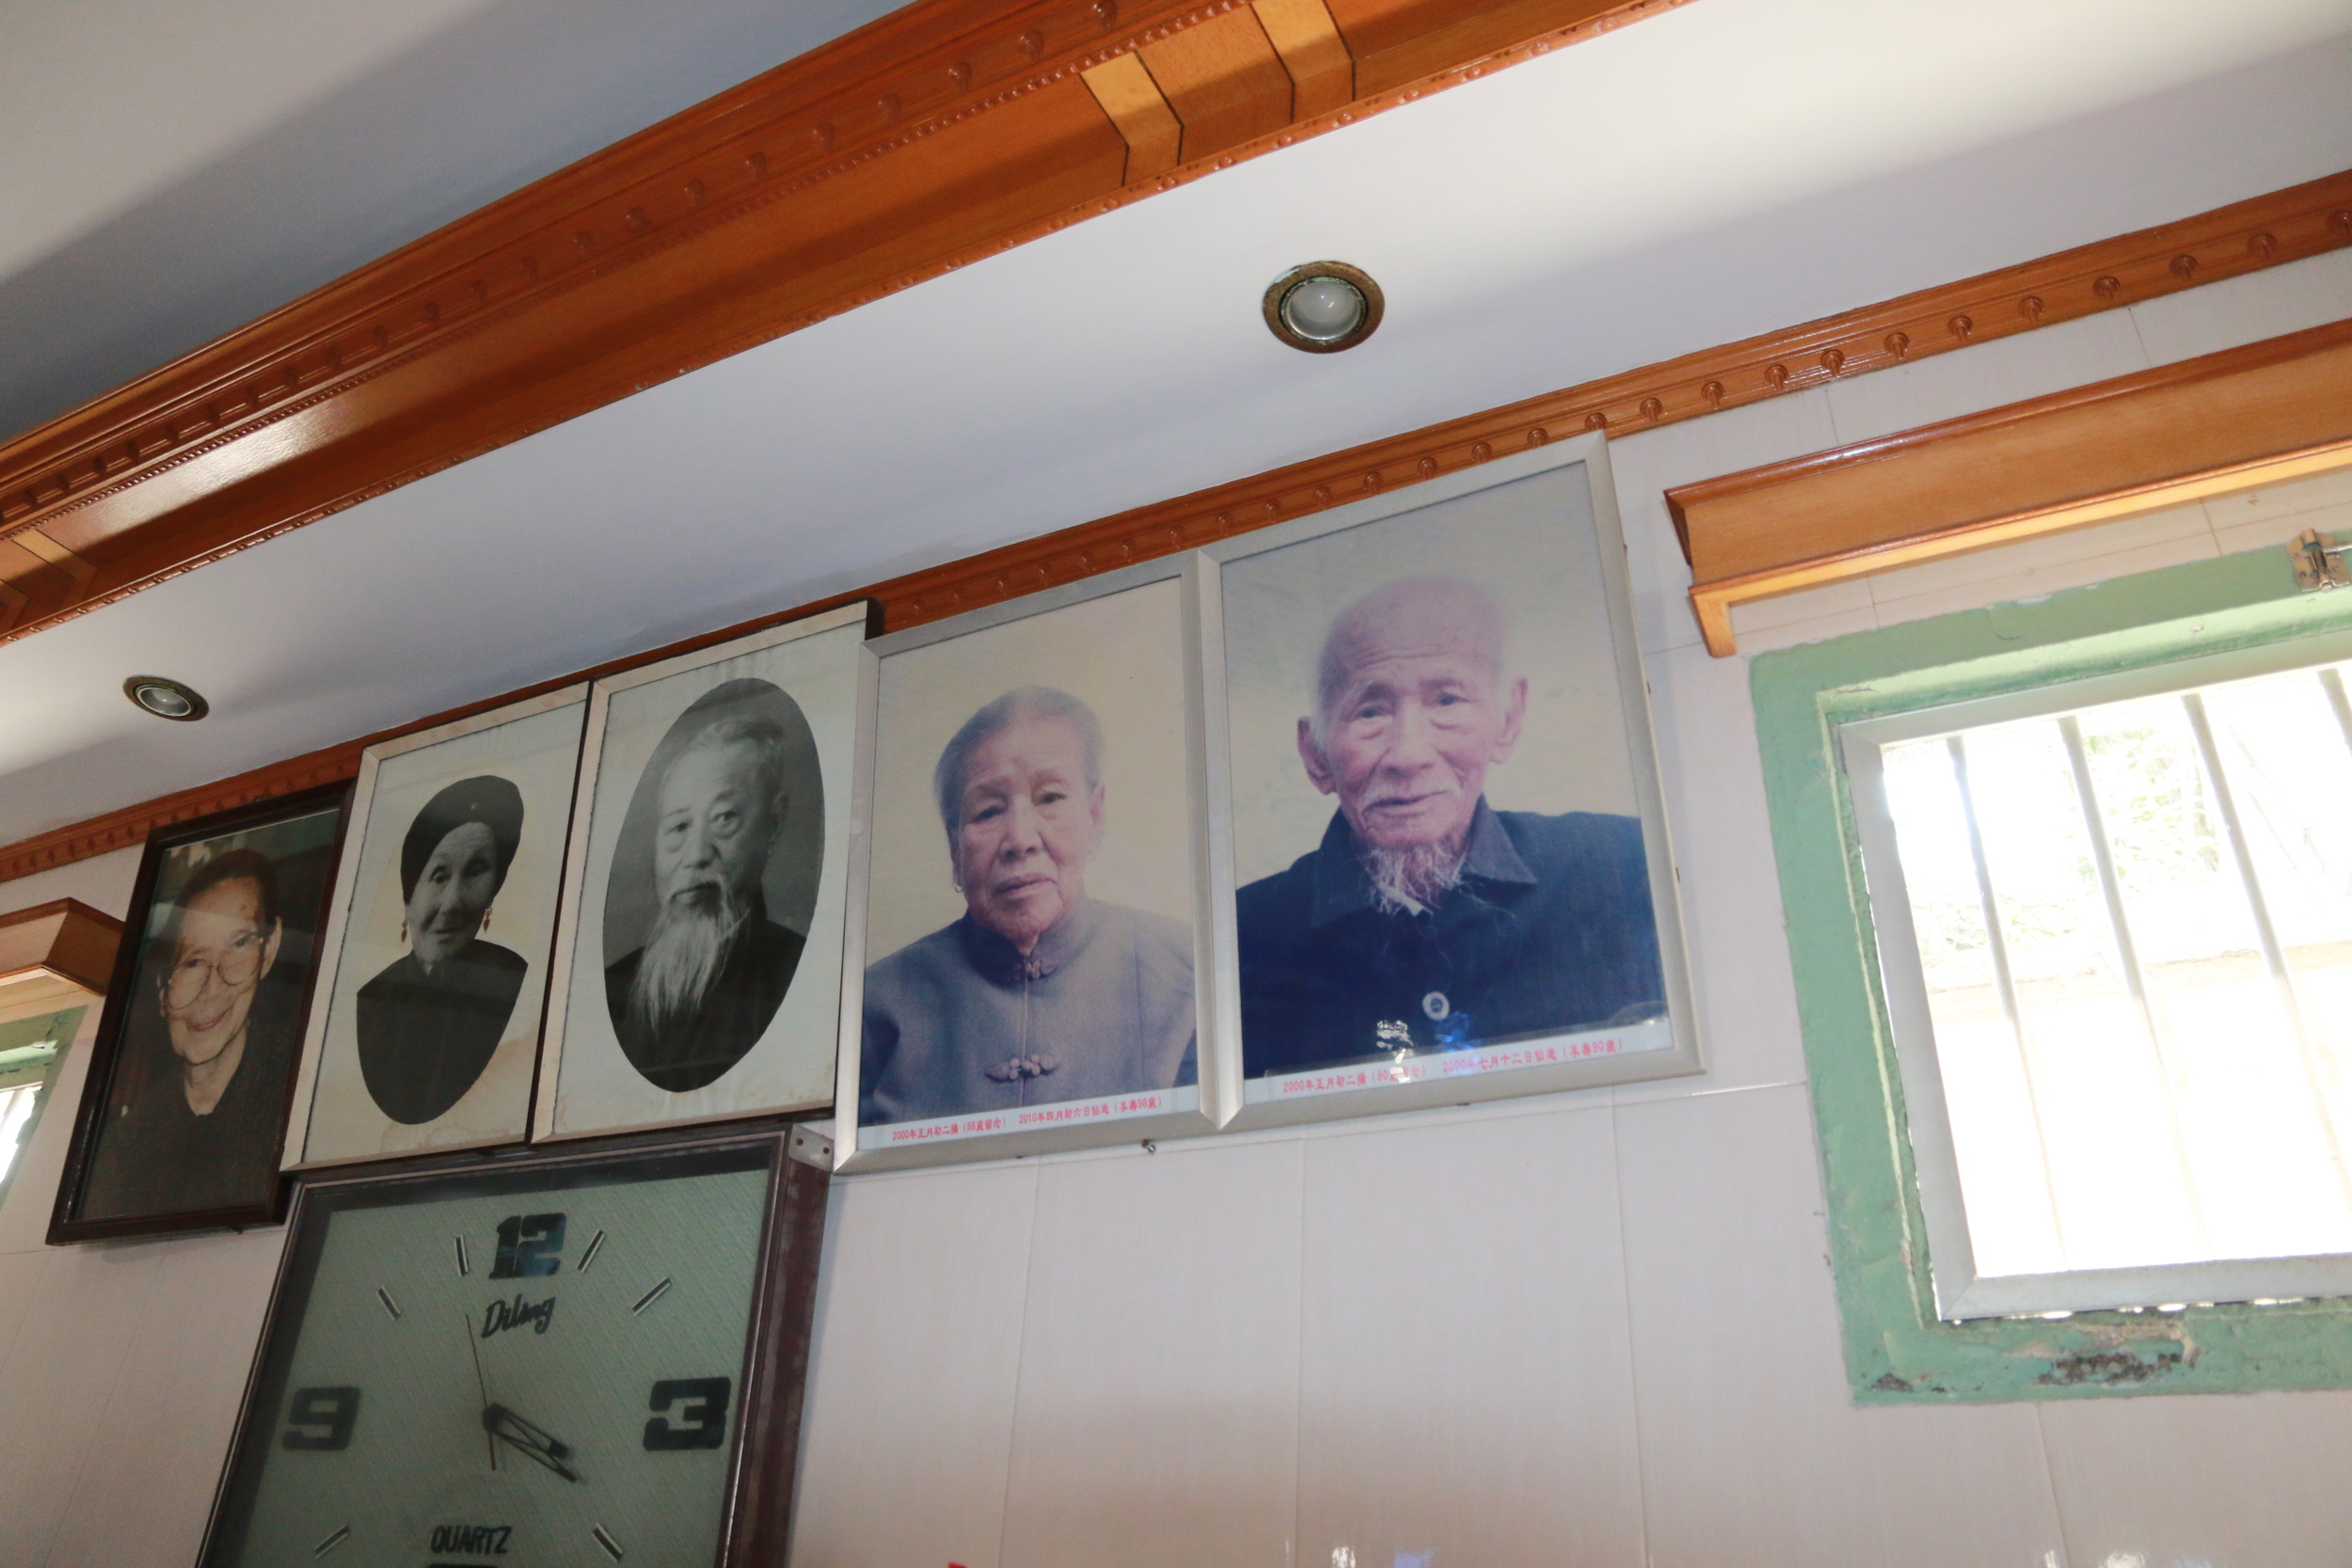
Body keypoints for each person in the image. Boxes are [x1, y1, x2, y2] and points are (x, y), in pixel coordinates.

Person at [1235, 577, 1664, 1076]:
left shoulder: (1625, 868)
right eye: (1369, 710)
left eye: (1447, 701)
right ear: (1315, 754)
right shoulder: (1247, 935)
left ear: (1508, 719)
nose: (1409, 755)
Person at [861, 687, 1195, 1125]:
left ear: (1094, 818)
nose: (1021, 839)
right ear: (954, 845)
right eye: (987, 811)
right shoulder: (877, 1001)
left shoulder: (1188, 972)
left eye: (1050, 798)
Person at [80, 848, 295, 1218]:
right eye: (193, 961)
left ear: (270, 950)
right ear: (163, 992)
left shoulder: (298, 1089)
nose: (213, 986)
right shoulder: (125, 1145)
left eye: (240, 944)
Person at [605, 717, 804, 1092]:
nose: (696, 856)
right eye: (679, 827)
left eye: (724, 819)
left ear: (773, 825)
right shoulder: (612, 988)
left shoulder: (801, 976)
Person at [355, 776, 529, 1124]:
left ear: (494, 890)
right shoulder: (372, 1000)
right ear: (409, 895)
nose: (452, 904)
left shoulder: (515, 982)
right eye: (438, 875)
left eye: (475, 872)